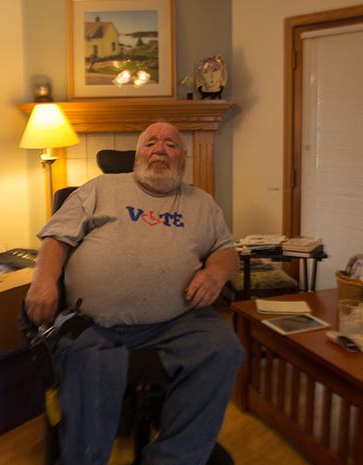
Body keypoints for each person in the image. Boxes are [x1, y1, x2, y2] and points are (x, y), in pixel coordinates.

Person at [25, 122, 244, 465]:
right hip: (93, 321)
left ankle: (175, 456)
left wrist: (216, 272)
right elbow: (56, 237)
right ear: (137, 154)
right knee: (86, 363)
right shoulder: (99, 188)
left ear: (183, 158)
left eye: (170, 144)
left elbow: (226, 251)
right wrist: (43, 281)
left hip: (176, 321)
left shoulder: (202, 203)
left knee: (224, 349)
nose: (159, 148)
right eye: (150, 142)